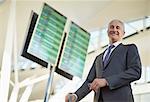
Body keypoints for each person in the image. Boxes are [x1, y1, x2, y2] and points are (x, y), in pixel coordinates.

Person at [65, 19, 142, 102]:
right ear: (108, 31)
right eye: (112, 27)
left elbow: (135, 72)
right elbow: (89, 81)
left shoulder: (129, 49)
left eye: (118, 28)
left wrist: (106, 81)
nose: (114, 30)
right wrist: (76, 96)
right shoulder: (98, 58)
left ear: (123, 33)